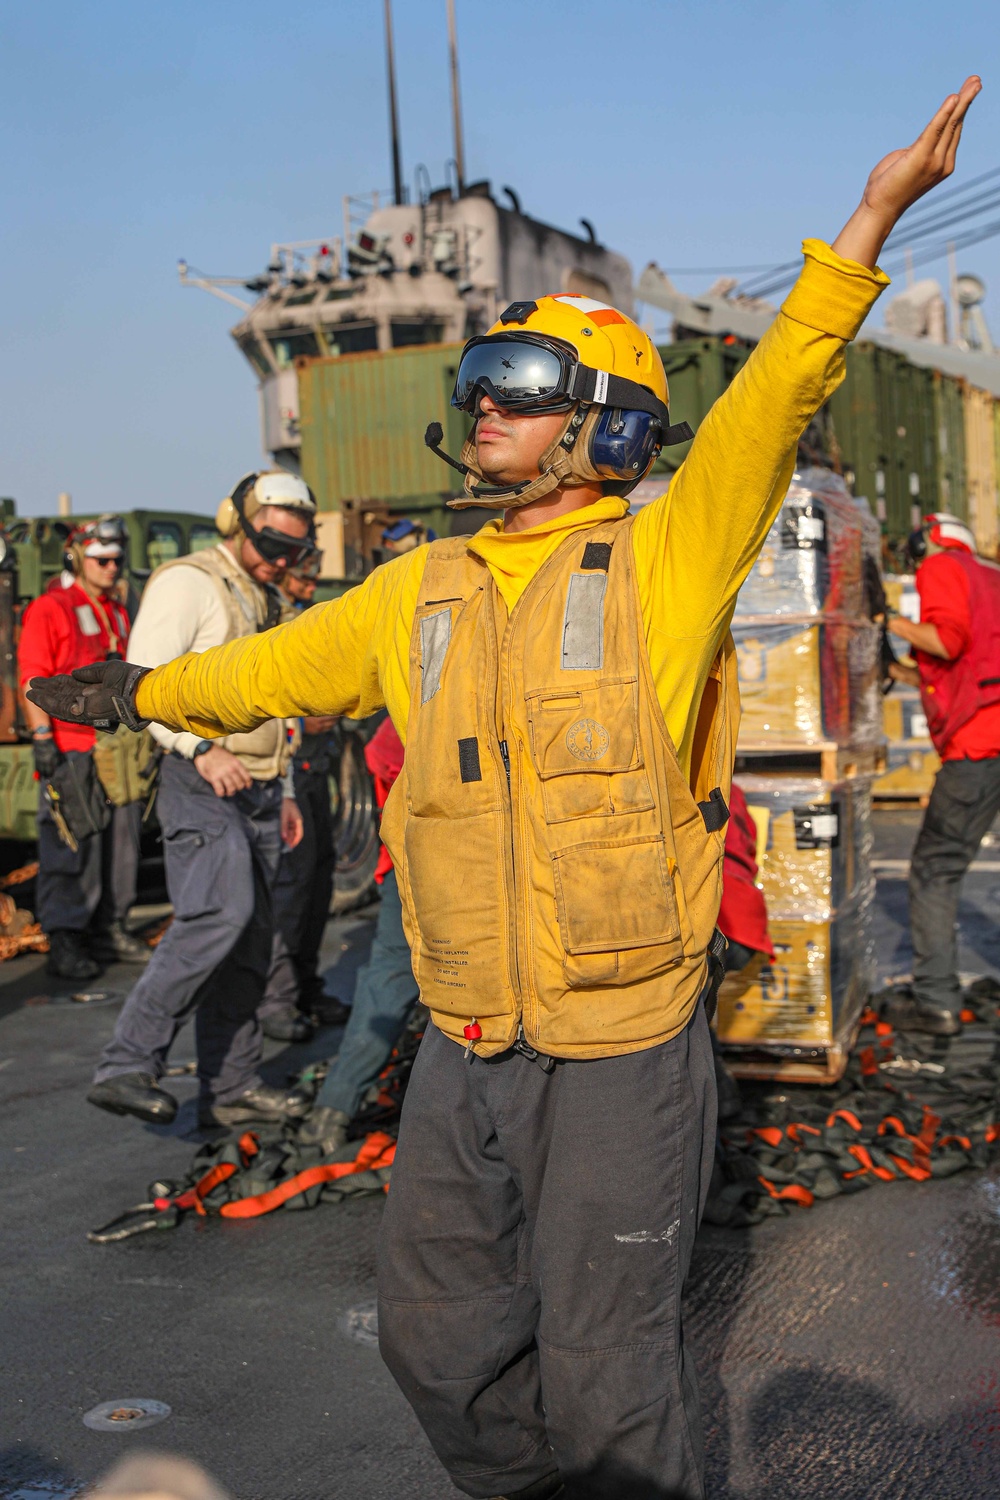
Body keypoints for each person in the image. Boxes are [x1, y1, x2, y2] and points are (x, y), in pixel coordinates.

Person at [29, 80, 980, 1500]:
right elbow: (271, 666)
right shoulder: (421, 587)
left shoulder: (666, 560)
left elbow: (780, 385)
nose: (482, 406)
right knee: (435, 1342)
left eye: (520, 388)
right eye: (477, 383)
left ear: (603, 423)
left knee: (611, 1379)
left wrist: (875, 214)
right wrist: (137, 695)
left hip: (620, 1055)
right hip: (468, 1042)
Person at [83, 471, 318, 1130]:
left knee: (250, 941)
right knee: (218, 913)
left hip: (264, 787)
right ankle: (126, 1064)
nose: (280, 560)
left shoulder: (263, 592)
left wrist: (290, 786)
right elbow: (139, 688)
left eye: (291, 552)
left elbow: (280, 701)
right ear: (236, 523)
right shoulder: (189, 582)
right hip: (203, 781)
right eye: (270, 544)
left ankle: (233, 1084)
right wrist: (198, 750)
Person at [18, 514, 149, 980]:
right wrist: (41, 741)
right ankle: (67, 936)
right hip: (71, 748)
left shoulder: (116, 608)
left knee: (123, 842)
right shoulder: (51, 608)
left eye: (117, 560)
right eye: (102, 560)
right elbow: (32, 677)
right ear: (79, 558)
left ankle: (111, 926)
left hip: (117, 748)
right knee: (74, 843)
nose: (113, 568)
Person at [885, 509, 1000, 1036]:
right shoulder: (990, 578)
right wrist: (893, 669)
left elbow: (947, 642)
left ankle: (935, 1001)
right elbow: (960, 672)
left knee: (935, 871)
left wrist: (889, 620)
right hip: (991, 736)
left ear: (933, 539)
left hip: (976, 751)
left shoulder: (944, 568)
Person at [300, 716, 418, 1150]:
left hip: (411, 859)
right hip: (454, 863)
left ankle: (331, 1112)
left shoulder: (409, 703)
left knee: (388, 979)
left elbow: (382, 757)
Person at [259, 548, 342, 1041]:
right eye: (303, 576)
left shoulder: (304, 618)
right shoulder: (266, 619)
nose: (311, 584)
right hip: (286, 773)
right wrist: (301, 718)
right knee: (290, 889)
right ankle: (277, 999)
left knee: (318, 882)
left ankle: (306, 985)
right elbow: (260, 691)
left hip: (315, 768)